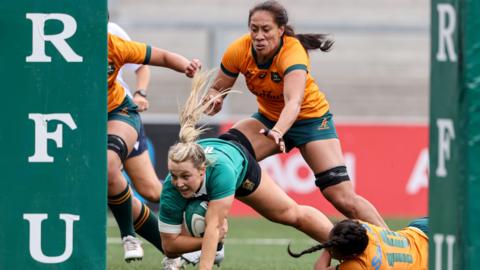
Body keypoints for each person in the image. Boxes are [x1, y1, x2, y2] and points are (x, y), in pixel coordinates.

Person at [204, 0, 387, 228]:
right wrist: (214, 99)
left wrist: (279, 131)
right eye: (254, 29)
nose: (259, 36)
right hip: (268, 119)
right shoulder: (238, 50)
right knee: (220, 158)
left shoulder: (292, 52)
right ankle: (214, 231)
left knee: (341, 197)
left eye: (266, 29)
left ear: (281, 30)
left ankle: (394, 244)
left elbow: (294, 102)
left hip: (310, 121)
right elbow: (218, 89)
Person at [158, 71, 334, 270]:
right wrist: (209, 242)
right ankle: (211, 247)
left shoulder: (221, 172)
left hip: (240, 163)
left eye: (185, 176)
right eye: (174, 176)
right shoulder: (171, 186)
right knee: (194, 230)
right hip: (222, 148)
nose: (178, 182)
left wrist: (210, 243)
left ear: (202, 170)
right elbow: (169, 245)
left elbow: (215, 226)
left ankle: (345, 242)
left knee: (289, 214)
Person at [107, 32, 201, 264]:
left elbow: (152, 60)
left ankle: (129, 235)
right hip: (78, 122)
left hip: (118, 114)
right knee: (146, 190)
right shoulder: (53, 41)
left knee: (108, 169)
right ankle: (176, 249)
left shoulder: (113, 40)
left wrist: (186, 66)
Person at [287, 218, 429, 270]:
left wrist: (328, 248)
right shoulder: (360, 227)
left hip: (429, 258)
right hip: (420, 228)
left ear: (353, 255)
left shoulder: (358, 266)